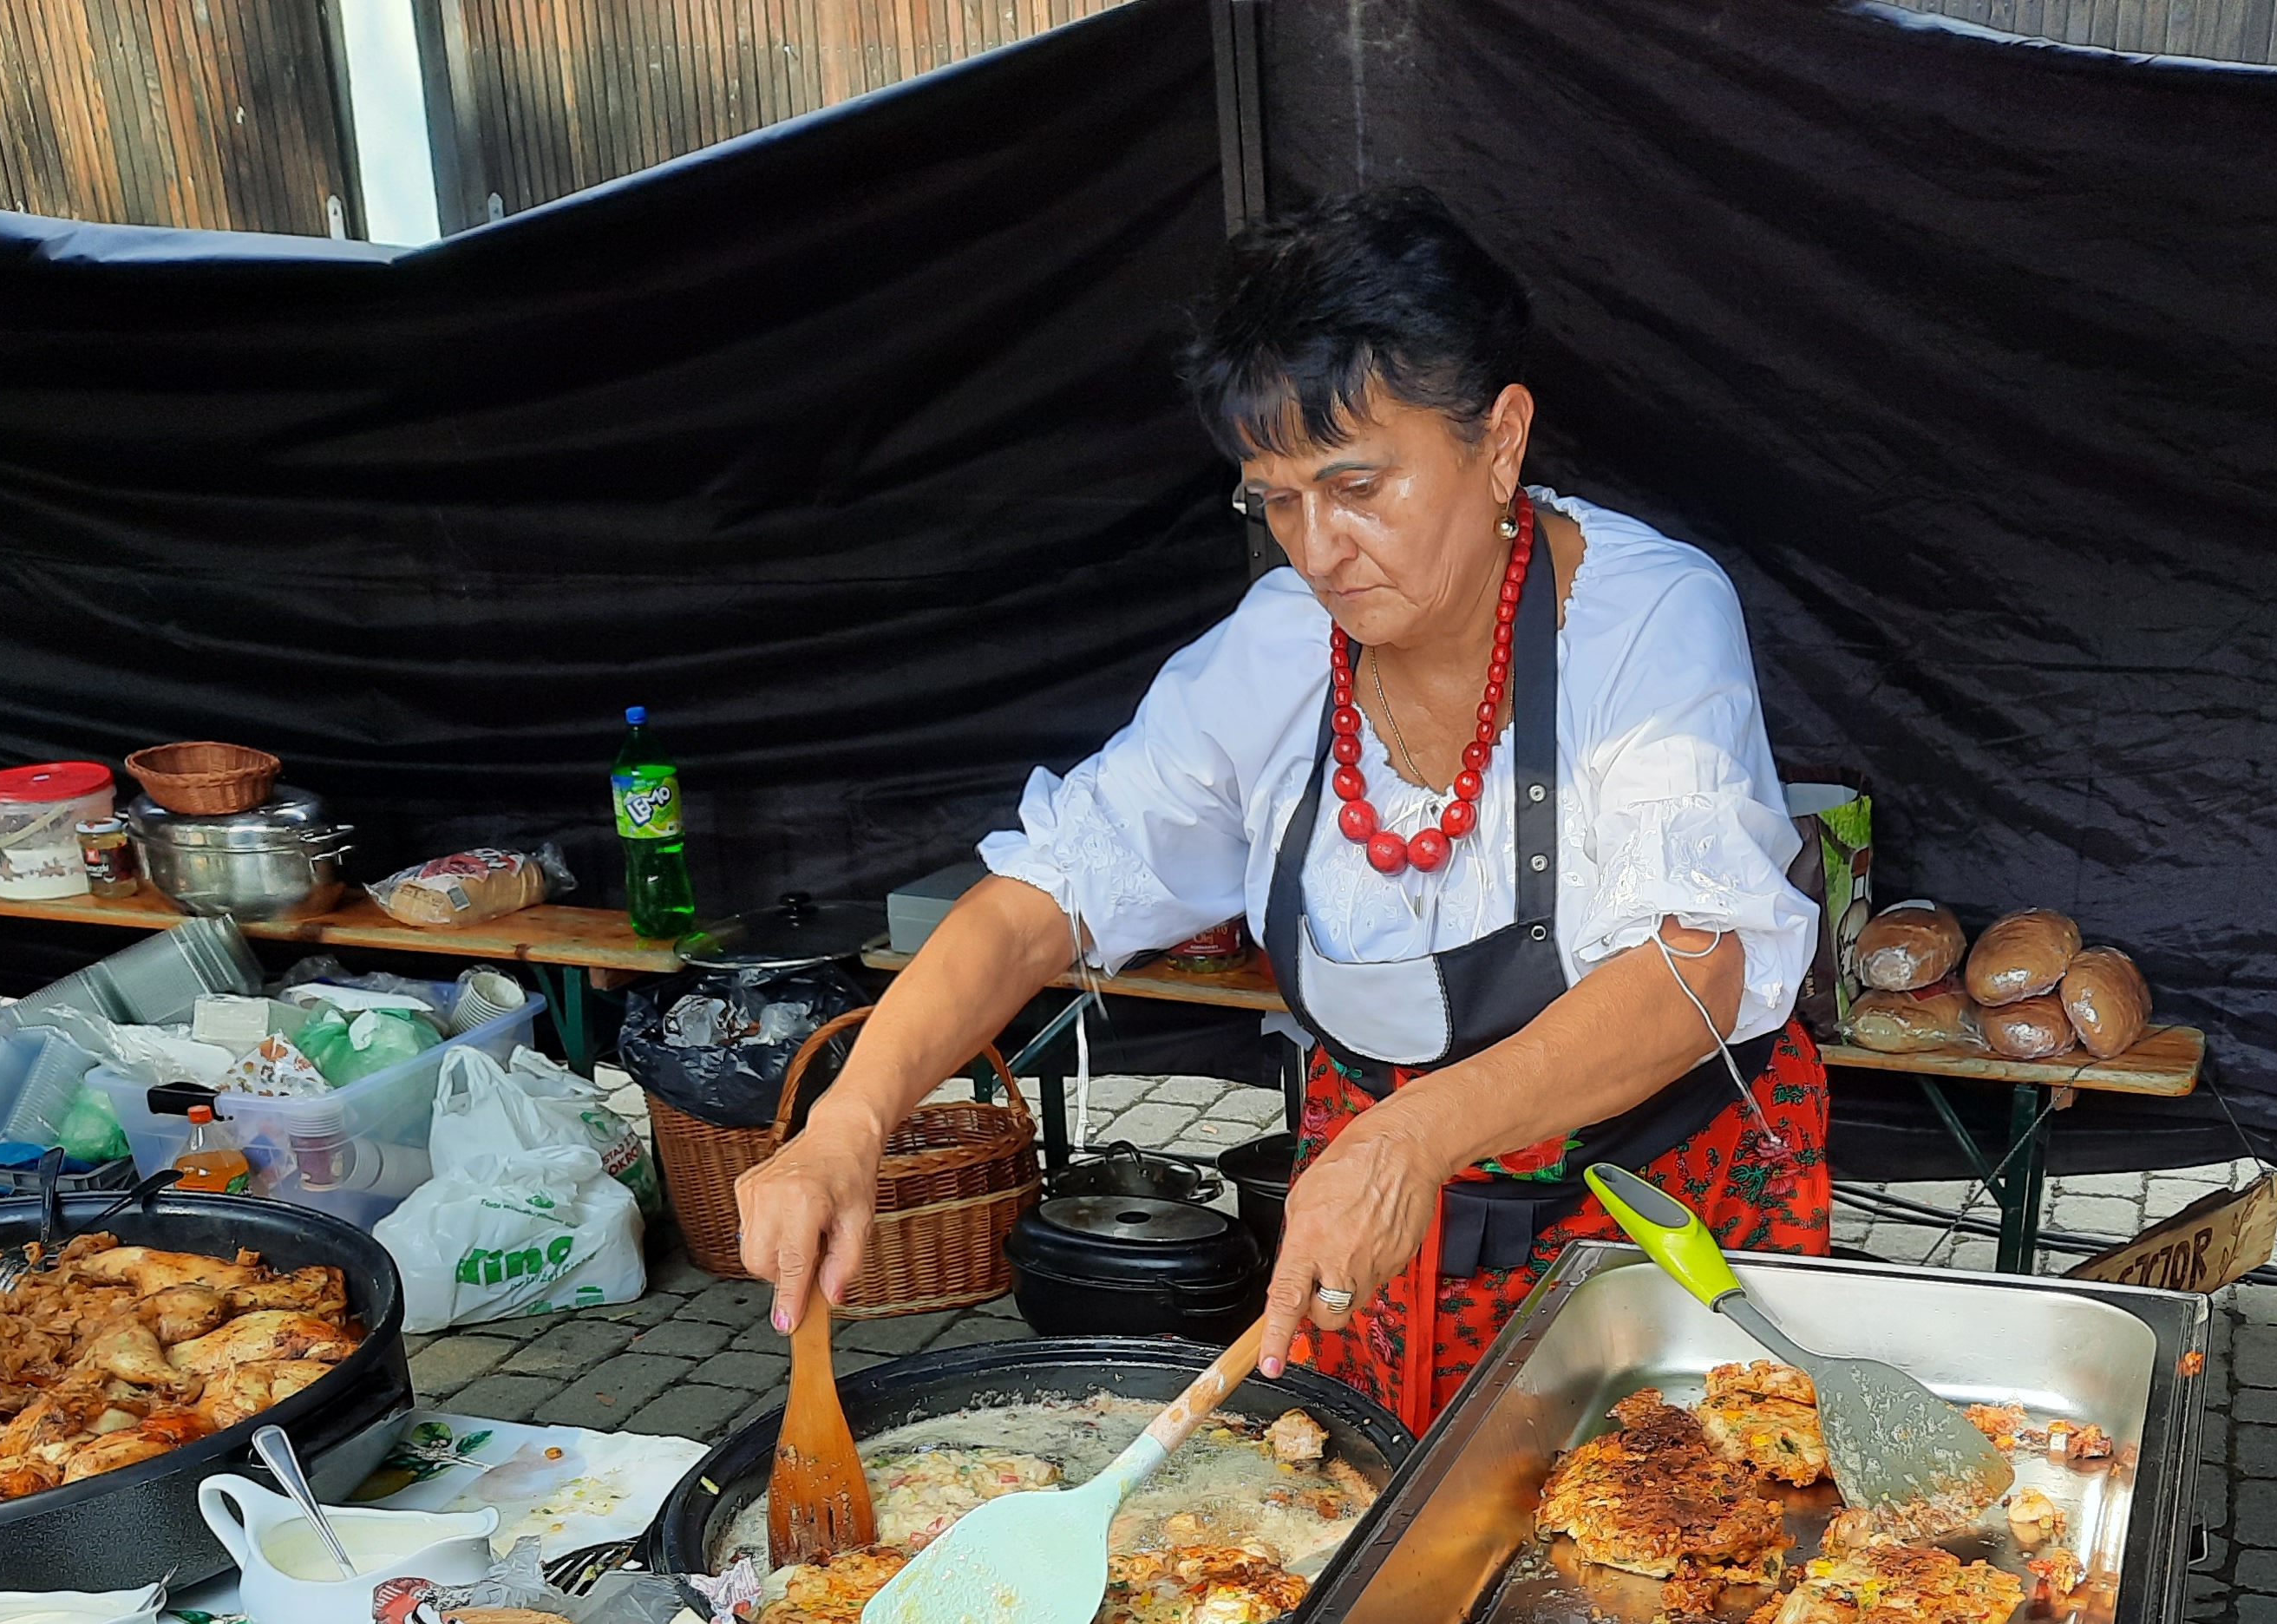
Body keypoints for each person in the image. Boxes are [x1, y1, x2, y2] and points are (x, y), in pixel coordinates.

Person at [738, 187, 1826, 1423]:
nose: (1319, 548)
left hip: (1654, 1233)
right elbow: (1047, 894)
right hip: (1373, 1245)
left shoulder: (1647, 619)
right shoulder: (1273, 656)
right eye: (1278, 497)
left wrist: (1415, 1136)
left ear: (1502, 440)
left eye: (1360, 485)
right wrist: (850, 1119)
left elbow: (1696, 968)